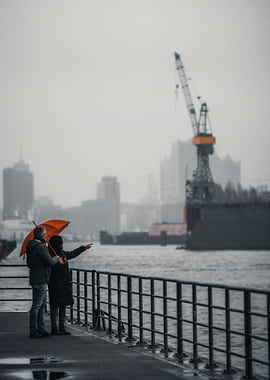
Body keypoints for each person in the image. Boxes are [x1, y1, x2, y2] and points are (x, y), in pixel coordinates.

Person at [48, 235, 93, 335]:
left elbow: (72, 254)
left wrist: (83, 248)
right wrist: (56, 260)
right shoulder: (50, 255)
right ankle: (54, 328)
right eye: (60, 242)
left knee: (63, 305)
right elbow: (49, 267)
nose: (62, 244)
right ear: (57, 244)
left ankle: (62, 327)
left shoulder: (62, 253)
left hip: (64, 284)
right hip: (55, 283)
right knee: (55, 306)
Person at [26, 226, 59, 338]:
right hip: (41, 279)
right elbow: (50, 262)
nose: (46, 235)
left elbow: (30, 264)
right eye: (45, 233)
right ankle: (33, 329)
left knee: (42, 305)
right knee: (37, 305)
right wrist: (56, 258)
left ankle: (41, 327)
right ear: (41, 235)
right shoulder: (41, 247)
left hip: (36, 278)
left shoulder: (31, 246)